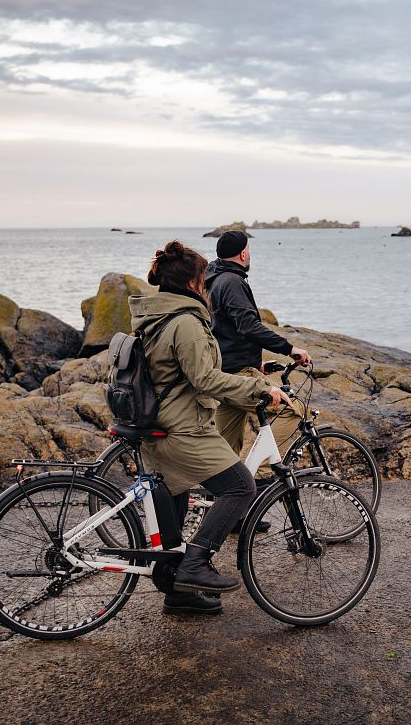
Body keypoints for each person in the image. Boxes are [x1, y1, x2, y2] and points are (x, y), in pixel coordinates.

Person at [130, 240, 290, 616]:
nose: (207, 285)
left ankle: (179, 591)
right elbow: (204, 379)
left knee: (176, 495)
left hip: (158, 424)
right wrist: (258, 389)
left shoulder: (158, 316)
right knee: (240, 486)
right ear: (192, 283)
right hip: (182, 429)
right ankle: (195, 564)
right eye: (203, 278)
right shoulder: (185, 322)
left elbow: (185, 373)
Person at [205, 230, 310, 457]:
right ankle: (263, 475)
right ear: (243, 254)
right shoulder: (232, 282)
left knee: (226, 448)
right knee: (293, 410)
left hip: (224, 372)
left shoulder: (214, 280)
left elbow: (223, 331)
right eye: (249, 250)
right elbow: (248, 326)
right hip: (238, 375)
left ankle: (227, 491)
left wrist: (256, 363)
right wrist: (290, 349)